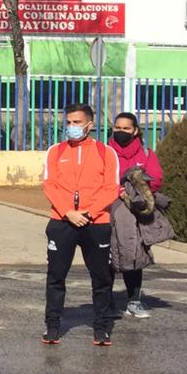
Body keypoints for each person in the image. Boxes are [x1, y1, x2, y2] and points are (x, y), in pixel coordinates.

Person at [42, 103, 120, 347]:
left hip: (96, 222)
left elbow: (112, 188)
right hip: (62, 221)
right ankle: (52, 326)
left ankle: (101, 328)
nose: (71, 127)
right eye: (68, 122)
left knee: (101, 278)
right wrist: (68, 212)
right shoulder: (55, 151)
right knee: (56, 276)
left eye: (77, 122)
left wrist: (89, 213)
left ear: (90, 125)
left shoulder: (106, 152)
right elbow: (50, 185)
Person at [107, 112, 165, 318]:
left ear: (135, 131)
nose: (121, 131)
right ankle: (106, 303)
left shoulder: (146, 154)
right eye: (117, 127)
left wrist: (135, 190)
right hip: (108, 211)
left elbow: (156, 179)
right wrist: (117, 191)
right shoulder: (105, 152)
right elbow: (98, 178)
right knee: (108, 257)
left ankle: (134, 301)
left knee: (134, 255)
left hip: (135, 213)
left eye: (126, 128)